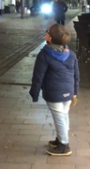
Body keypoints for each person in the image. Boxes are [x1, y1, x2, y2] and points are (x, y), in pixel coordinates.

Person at [29, 24, 79, 157]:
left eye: (47, 32)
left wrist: (34, 93)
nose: (45, 34)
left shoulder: (44, 55)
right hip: (68, 91)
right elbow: (76, 75)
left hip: (54, 92)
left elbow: (38, 76)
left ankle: (64, 145)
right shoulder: (71, 54)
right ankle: (60, 139)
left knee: (59, 117)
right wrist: (75, 91)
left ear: (50, 38)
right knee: (63, 115)